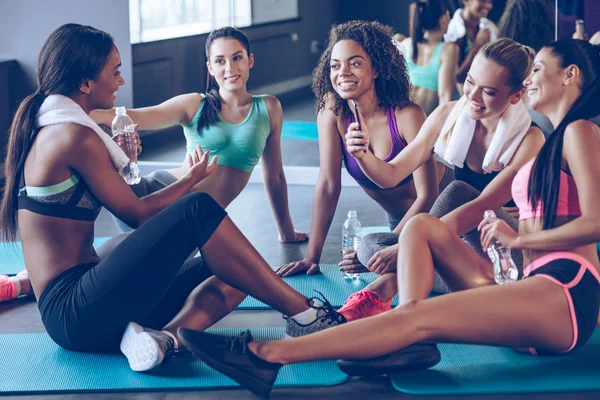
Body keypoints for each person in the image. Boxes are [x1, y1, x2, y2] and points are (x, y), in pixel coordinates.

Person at [178, 39, 600, 399]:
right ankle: (405, 335)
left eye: (539, 68)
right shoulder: (558, 136)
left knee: (414, 315)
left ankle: (264, 356)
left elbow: (595, 222)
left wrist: (517, 240)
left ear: (570, 75)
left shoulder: (577, 132)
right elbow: (403, 174)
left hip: (564, 288)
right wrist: (361, 155)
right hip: (528, 288)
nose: (530, 78)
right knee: (417, 230)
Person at [0, 23, 345, 373]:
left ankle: (164, 340)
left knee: (237, 270)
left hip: (97, 302)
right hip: (76, 314)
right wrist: (191, 179)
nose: (121, 81)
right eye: (115, 73)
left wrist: (127, 161)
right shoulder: (72, 135)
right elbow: (137, 214)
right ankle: (306, 313)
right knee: (198, 207)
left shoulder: (60, 128)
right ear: (86, 83)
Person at [338, 38, 545, 320]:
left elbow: (480, 205)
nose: (472, 96)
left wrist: (406, 246)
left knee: (458, 191)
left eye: (489, 91)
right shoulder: (449, 114)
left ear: (516, 96)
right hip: (464, 258)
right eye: (470, 82)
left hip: (511, 257)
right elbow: (392, 175)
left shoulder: (530, 138)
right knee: (368, 245)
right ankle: (425, 277)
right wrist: (362, 154)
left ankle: (384, 289)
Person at [91, 27, 307, 243]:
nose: (230, 67)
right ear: (210, 68)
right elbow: (140, 115)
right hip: (153, 194)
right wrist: (90, 114)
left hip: (195, 218)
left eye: (237, 57)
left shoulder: (269, 108)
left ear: (250, 60)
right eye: (220, 61)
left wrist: (286, 232)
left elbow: (275, 176)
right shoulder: (195, 105)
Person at [276, 20, 452, 279]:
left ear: (377, 68)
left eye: (355, 63)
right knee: (385, 266)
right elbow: (327, 183)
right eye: (336, 65)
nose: (343, 72)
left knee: (394, 265)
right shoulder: (333, 110)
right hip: (398, 220)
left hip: (441, 211)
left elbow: (427, 196)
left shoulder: (407, 115)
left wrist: (386, 246)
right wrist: (312, 257)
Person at [398, 0, 459, 115]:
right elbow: (445, 96)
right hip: (424, 122)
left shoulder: (407, 44)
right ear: (443, 18)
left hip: (402, 120)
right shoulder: (448, 49)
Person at [444, 0, 497, 85]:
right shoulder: (450, 30)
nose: (488, 6)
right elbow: (456, 77)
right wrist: (476, 47)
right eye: (482, 1)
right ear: (466, 1)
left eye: (490, 2)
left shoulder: (491, 28)